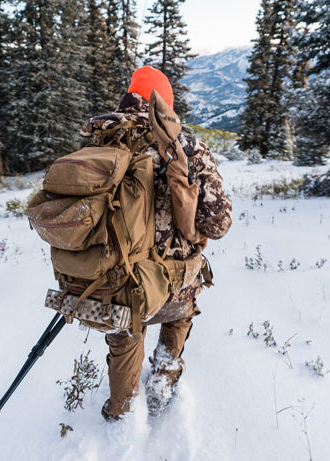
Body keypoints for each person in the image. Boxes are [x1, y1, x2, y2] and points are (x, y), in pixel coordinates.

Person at [79, 66, 233, 421]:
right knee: (181, 312)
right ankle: (163, 376)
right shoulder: (188, 147)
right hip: (172, 287)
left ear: (130, 96)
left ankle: (122, 413)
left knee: (125, 335)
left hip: (113, 286)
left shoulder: (101, 142)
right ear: (167, 103)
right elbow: (218, 224)